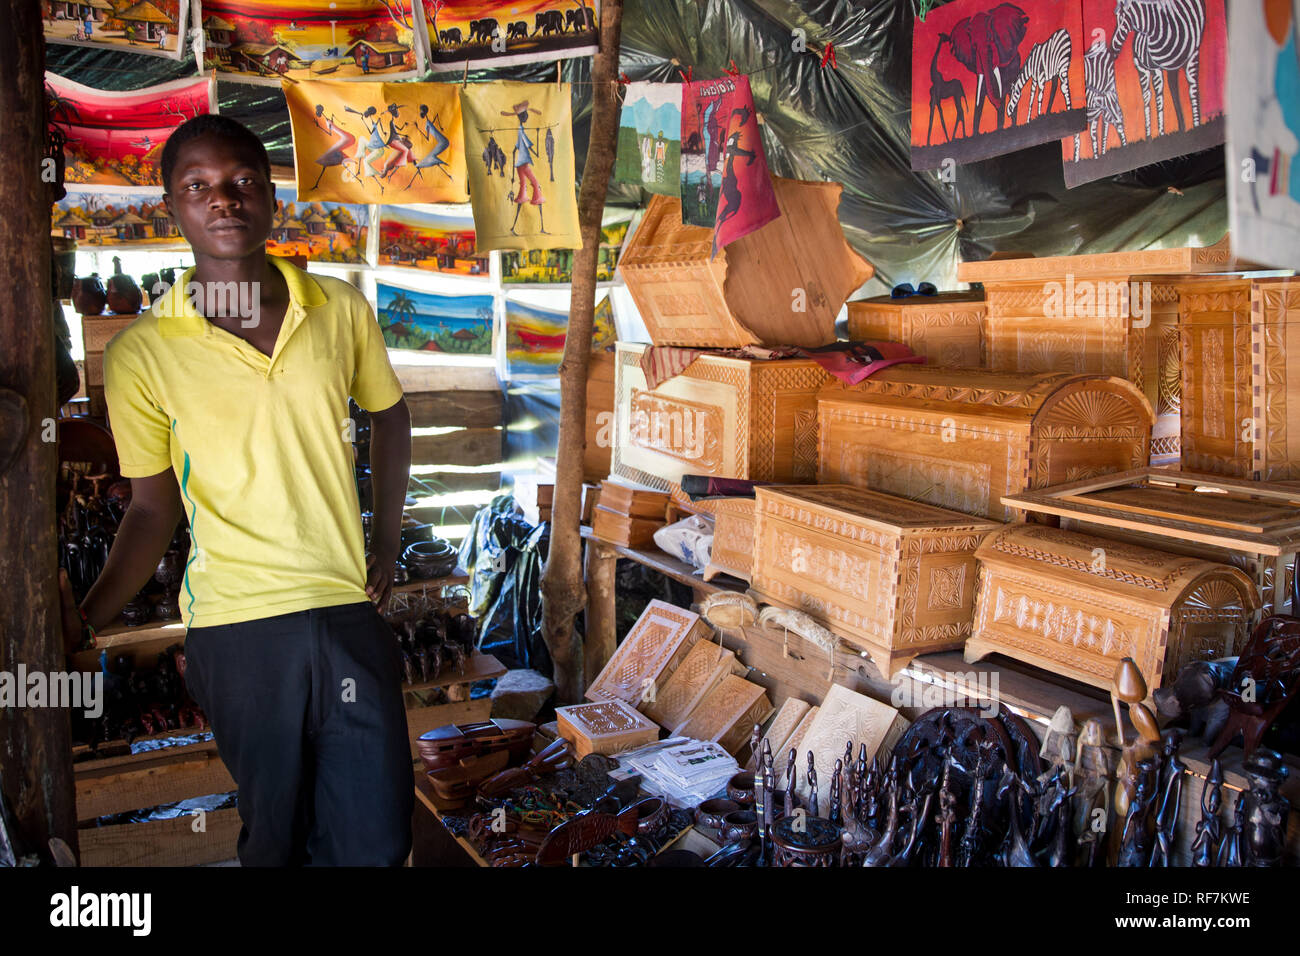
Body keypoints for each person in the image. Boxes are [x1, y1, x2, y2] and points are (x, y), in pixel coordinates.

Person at [60, 114, 414, 866]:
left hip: (347, 613)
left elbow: (390, 415)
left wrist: (385, 540)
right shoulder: (143, 355)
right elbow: (153, 510)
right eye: (198, 187)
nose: (224, 199)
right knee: (277, 836)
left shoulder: (337, 309)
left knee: (375, 839)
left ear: (272, 199)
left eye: (242, 181)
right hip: (240, 632)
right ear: (172, 209)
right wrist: (88, 619)